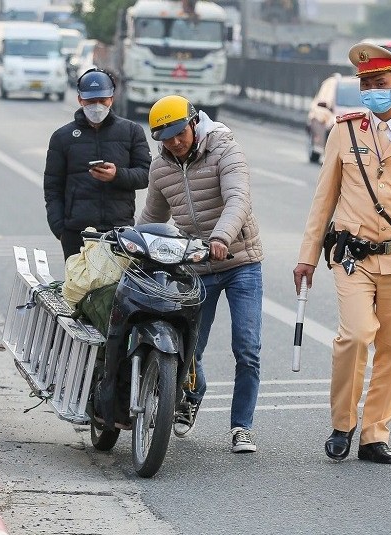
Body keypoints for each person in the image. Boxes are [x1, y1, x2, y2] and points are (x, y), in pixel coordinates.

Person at [293, 43, 391, 464]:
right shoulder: (345, 130)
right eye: (365, 84)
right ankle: (343, 423)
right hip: (352, 256)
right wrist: (307, 256)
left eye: (379, 83)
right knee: (356, 335)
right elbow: (324, 198)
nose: (372, 90)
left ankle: (375, 432)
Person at [141, 95, 263, 454]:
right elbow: (152, 217)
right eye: (166, 137)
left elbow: (238, 199)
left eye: (180, 132)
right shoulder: (161, 168)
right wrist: (130, 244)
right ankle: (192, 393)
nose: (175, 142)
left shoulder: (225, 149)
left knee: (247, 348)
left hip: (240, 261)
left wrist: (221, 238)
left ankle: (242, 426)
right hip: (196, 265)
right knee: (190, 346)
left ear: (193, 123)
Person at [44, 68, 151, 259]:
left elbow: (146, 175)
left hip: (119, 232)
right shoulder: (62, 137)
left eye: (103, 100)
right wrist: (60, 229)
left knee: (117, 288)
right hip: (77, 233)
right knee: (80, 287)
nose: (97, 106)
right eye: (91, 101)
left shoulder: (131, 131)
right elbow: (52, 187)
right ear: (80, 100)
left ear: (112, 98)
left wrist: (117, 175)